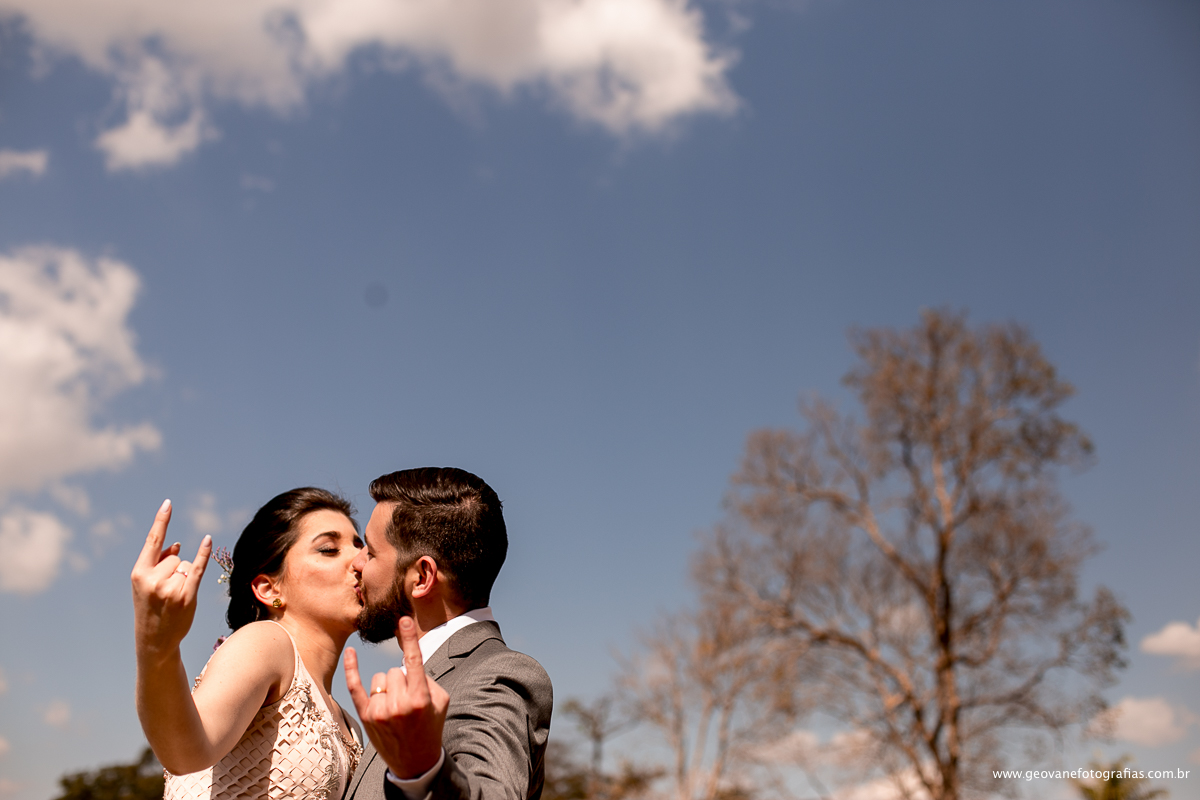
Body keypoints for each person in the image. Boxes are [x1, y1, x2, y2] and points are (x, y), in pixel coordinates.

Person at [130, 487, 365, 800]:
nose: (360, 561)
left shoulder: (351, 727)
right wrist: (156, 647)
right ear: (268, 588)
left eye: (360, 546)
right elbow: (184, 752)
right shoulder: (266, 644)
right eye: (329, 549)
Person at [343, 467, 553, 800]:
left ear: (422, 576)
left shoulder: (499, 675)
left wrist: (423, 771)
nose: (355, 562)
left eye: (370, 551)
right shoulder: (418, 685)